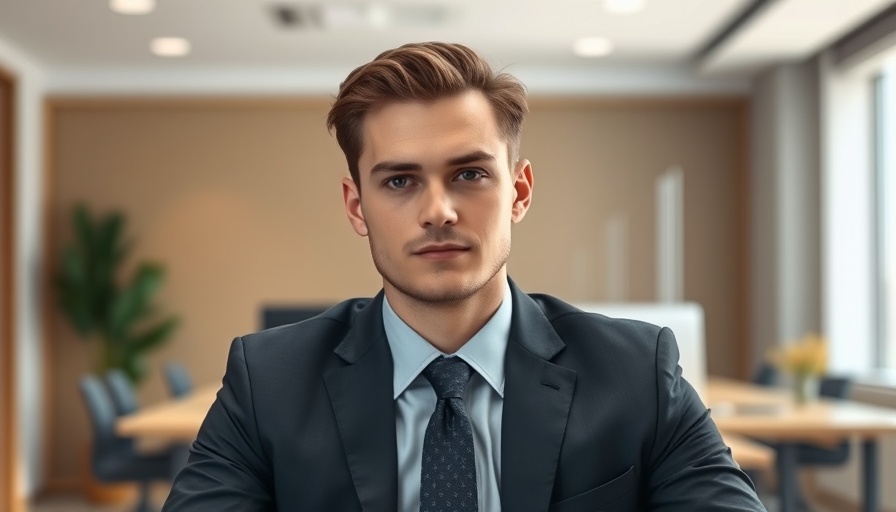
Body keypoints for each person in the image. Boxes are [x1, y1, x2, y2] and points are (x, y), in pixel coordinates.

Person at [163, 42, 765, 511]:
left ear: (519, 192)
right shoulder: (267, 382)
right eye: (399, 181)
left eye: (470, 175)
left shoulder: (636, 372)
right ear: (356, 207)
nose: (438, 211)